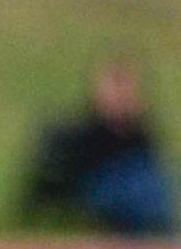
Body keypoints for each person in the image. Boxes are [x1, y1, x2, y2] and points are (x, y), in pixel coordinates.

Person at [22, 57, 176, 236]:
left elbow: (154, 166)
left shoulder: (140, 131)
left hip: (137, 190)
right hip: (103, 189)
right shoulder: (86, 130)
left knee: (150, 187)